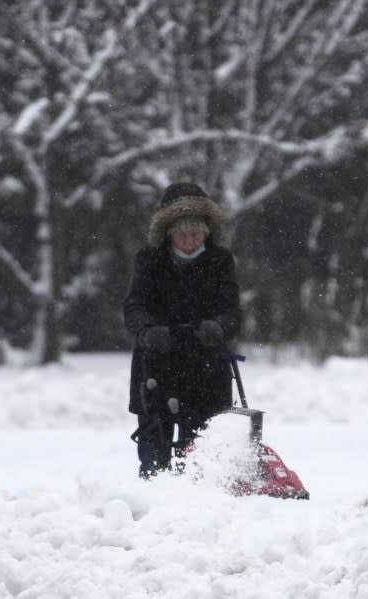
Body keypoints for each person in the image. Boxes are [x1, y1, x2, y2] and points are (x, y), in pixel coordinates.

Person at [123, 182, 241, 479]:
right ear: (168, 234)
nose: (190, 240)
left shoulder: (220, 261)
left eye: (196, 233)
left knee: (202, 445)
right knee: (154, 443)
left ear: (207, 232)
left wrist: (218, 327)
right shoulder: (149, 261)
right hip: (156, 366)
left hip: (206, 368)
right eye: (183, 234)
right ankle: (154, 492)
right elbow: (134, 307)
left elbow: (233, 312)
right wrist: (148, 332)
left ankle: (199, 497)